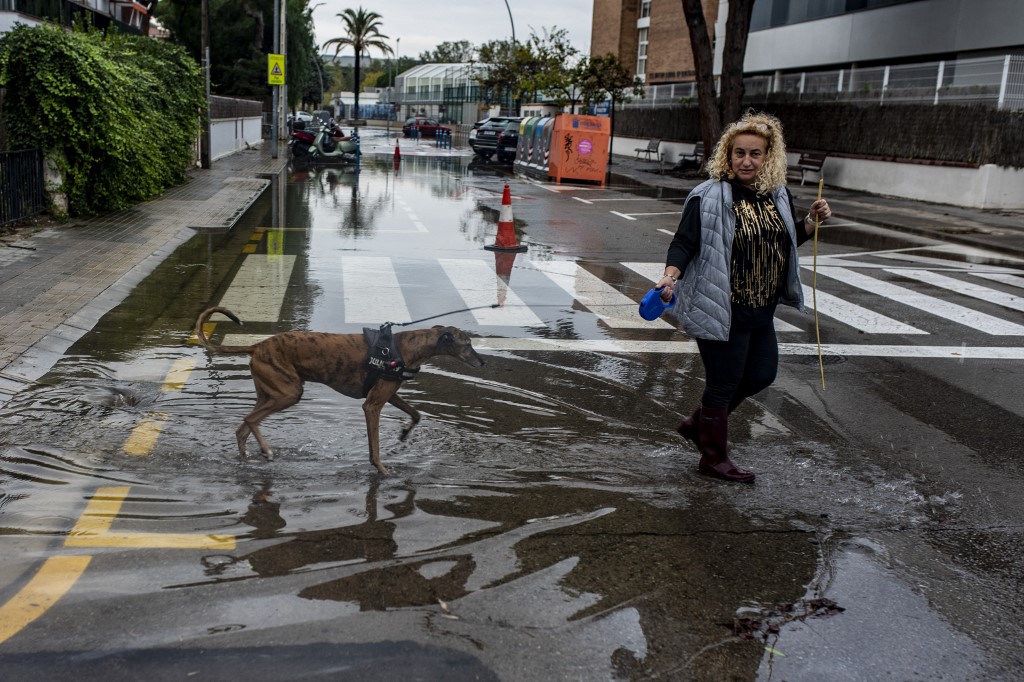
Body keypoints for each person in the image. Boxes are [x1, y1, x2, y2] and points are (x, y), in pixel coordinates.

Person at [655, 111, 832, 483]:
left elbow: (785, 242)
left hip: (761, 308)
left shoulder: (777, 195)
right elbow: (685, 241)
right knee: (723, 382)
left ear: (769, 156)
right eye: (739, 153)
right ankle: (713, 458)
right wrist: (670, 276)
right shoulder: (708, 195)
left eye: (755, 153)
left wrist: (811, 223)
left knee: (762, 375)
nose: (746, 161)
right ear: (728, 155)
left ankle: (697, 425)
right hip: (721, 304)